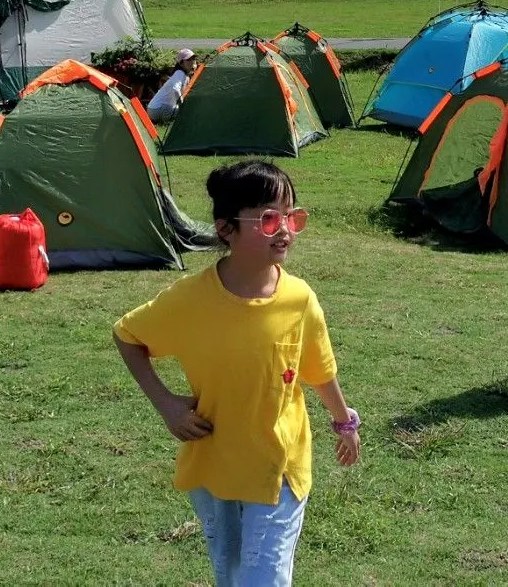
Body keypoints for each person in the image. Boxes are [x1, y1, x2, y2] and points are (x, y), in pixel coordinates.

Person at [113, 162, 360, 585]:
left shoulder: (299, 299)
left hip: (277, 469)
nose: (284, 229)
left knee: (261, 580)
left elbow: (319, 371)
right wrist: (167, 405)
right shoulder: (189, 300)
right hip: (214, 464)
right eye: (268, 218)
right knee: (229, 574)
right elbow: (127, 335)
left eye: (291, 216)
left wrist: (344, 422)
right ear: (226, 229)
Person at [147, 49, 199, 123]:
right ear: (181, 63)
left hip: (153, 109)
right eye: (188, 60)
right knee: (189, 112)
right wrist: (182, 103)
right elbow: (175, 89)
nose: (192, 61)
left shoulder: (183, 75)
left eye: (193, 58)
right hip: (159, 109)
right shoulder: (180, 73)